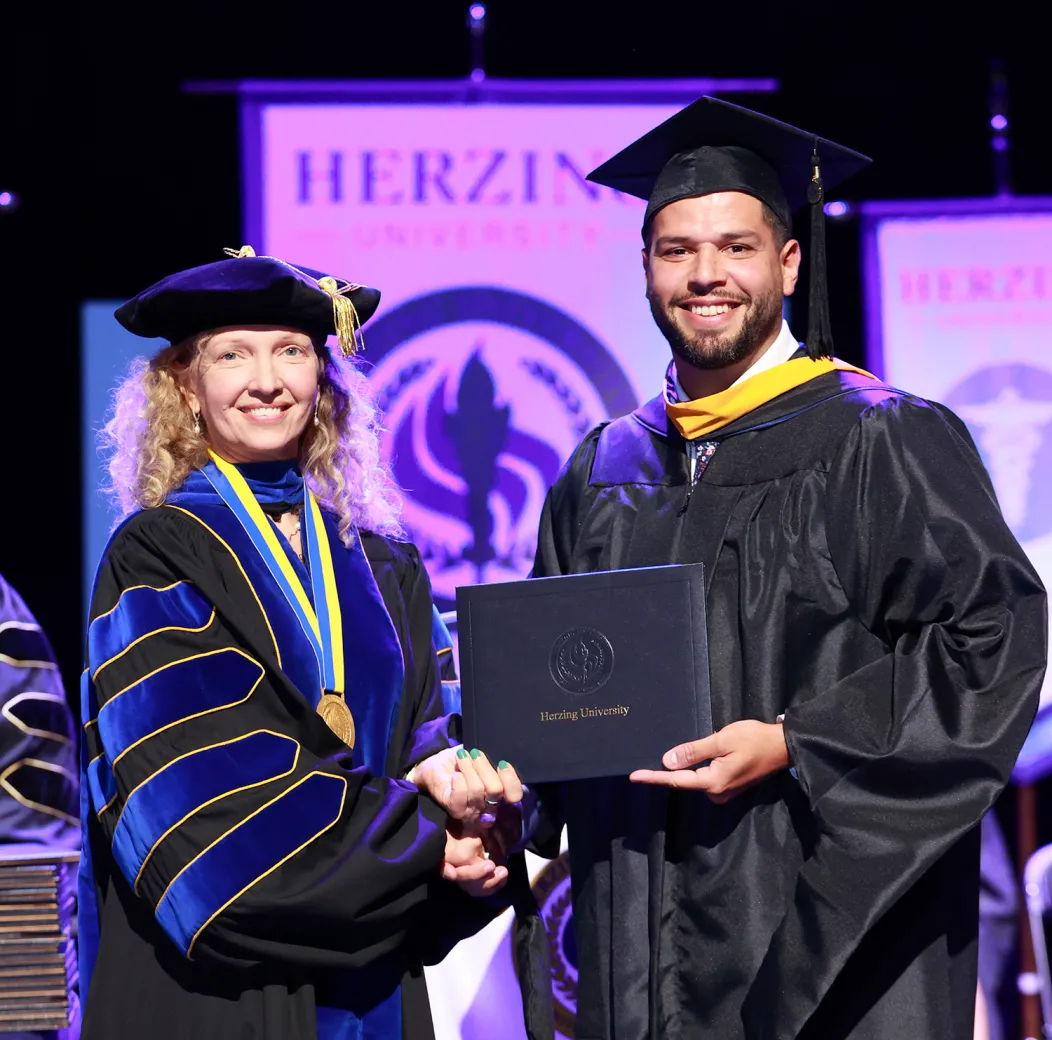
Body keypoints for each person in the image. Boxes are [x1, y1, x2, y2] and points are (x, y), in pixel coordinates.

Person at [526, 97, 1047, 1039]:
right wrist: (499, 796)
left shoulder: (881, 437)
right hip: (637, 915)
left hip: (814, 907)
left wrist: (796, 740)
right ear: (645, 267)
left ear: (788, 261)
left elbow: (992, 641)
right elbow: (554, 689)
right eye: (676, 250)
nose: (705, 275)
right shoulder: (603, 468)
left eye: (735, 247)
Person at [79, 248, 550, 1040]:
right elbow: (206, 788)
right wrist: (427, 837)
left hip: (367, 975)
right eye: (233, 354)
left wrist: (480, 826)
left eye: (292, 351)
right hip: (213, 999)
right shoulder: (157, 554)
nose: (267, 380)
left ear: (323, 385)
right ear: (186, 389)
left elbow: (436, 739)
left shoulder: (383, 564)